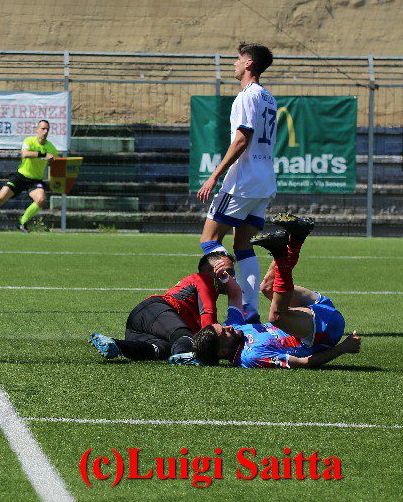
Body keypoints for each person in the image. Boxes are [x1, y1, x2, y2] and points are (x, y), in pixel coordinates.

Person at [191, 213, 362, 369]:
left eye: (223, 326)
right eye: (224, 332)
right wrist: (343, 348)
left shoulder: (236, 328)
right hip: (324, 332)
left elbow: (235, 294)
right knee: (276, 317)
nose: (228, 326)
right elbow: (305, 362)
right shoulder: (250, 357)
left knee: (267, 288)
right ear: (222, 352)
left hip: (318, 307)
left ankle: (296, 237)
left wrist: (224, 277)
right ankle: (280, 252)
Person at [197, 43, 277, 323]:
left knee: (209, 240)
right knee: (243, 246)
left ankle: (233, 296)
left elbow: (242, 138)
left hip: (243, 180)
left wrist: (215, 174)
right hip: (264, 181)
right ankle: (251, 312)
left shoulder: (246, 96)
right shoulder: (268, 98)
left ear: (249, 63)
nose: (234, 63)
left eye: (238, 59)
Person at [89, 251, 235, 362]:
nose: (232, 278)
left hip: (139, 329)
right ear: (211, 271)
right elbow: (208, 326)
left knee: (160, 350)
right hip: (153, 311)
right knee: (183, 337)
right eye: (228, 271)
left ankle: (115, 344)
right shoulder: (205, 280)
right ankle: (188, 358)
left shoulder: (207, 291)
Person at [0, 119, 57, 233]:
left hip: (35, 180)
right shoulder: (29, 141)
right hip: (20, 177)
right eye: (43, 128)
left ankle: (22, 223)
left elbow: (54, 165)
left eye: (47, 129)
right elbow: (25, 154)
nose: (45, 131)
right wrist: (43, 154)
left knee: (41, 199)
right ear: (37, 129)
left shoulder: (52, 148)